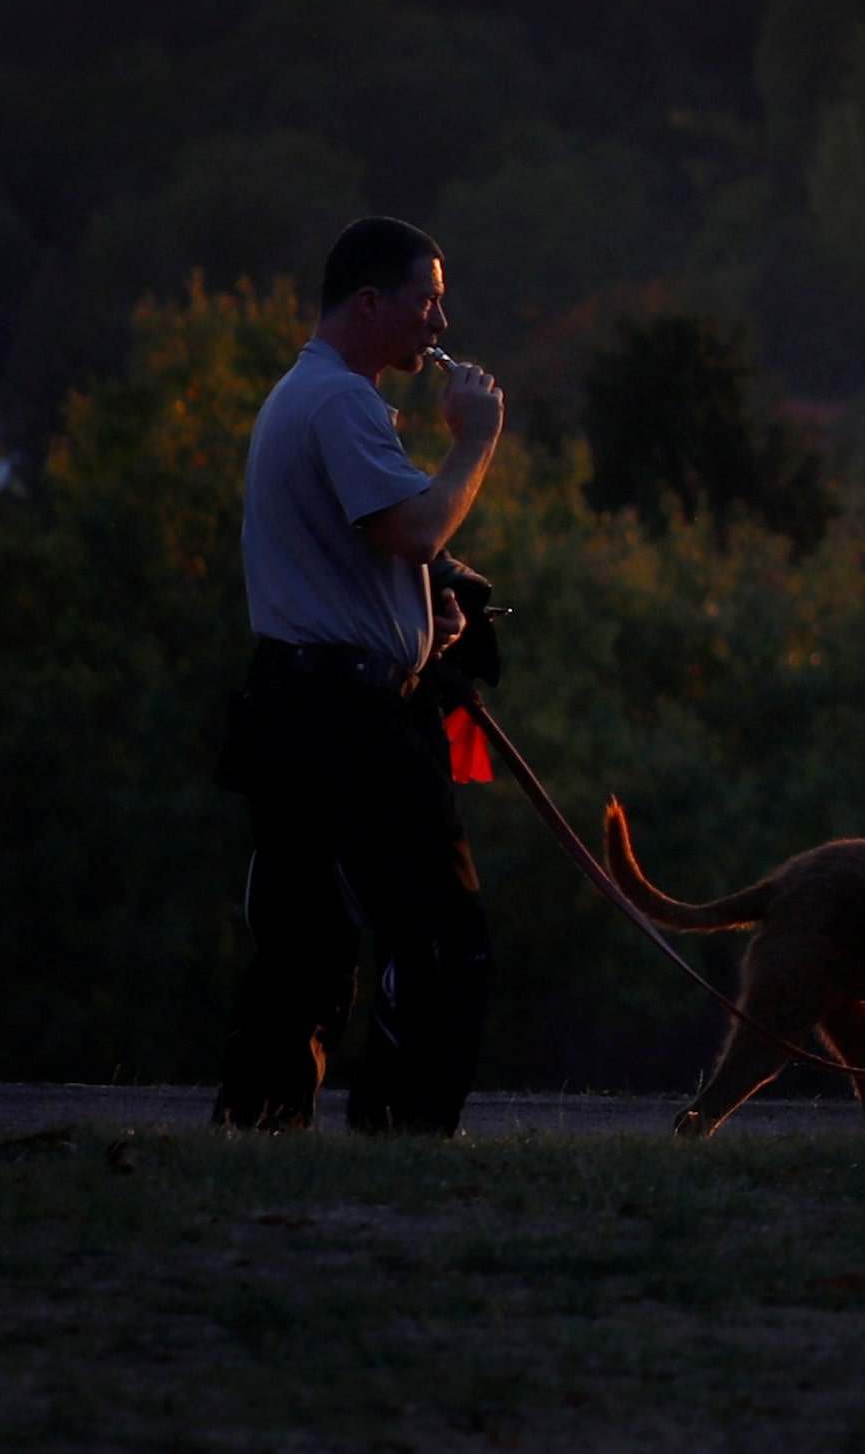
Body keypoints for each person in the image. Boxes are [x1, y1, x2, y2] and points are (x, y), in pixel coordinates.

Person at [210, 216, 507, 1134]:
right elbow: (415, 529)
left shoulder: (305, 394)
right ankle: (402, 1135)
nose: (439, 321)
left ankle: (260, 1125)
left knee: (305, 939)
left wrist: (422, 620)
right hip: (347, 716)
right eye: (428, 299)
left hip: (296, 702)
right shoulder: (340, 402)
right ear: (371, 303)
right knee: (440, 934)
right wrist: (476, 441)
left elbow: (363, 555)